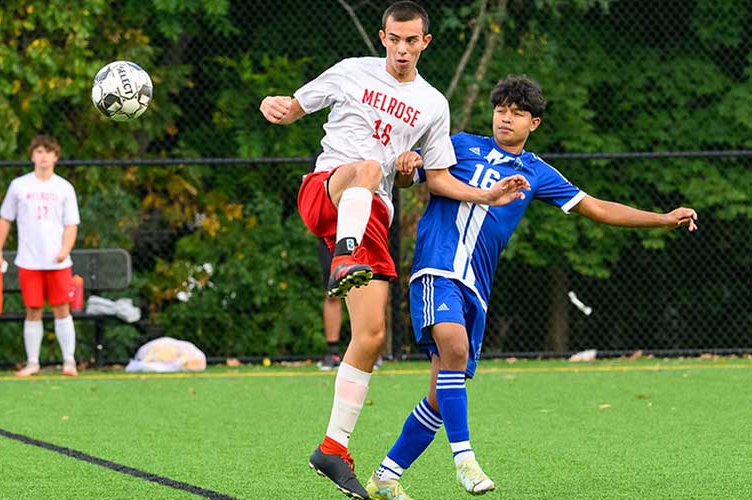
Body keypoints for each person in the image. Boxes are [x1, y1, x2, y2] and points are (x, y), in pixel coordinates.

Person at [365, 75, 698, 499]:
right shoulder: (460, 143)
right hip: (438, 267)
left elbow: (595, 207)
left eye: (517, 113)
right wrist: (406, 164)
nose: (506, 118)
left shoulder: (537, 171)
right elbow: (412, 174)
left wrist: (663, 218)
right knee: (453, 346)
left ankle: (385, 477)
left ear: (533, 124)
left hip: (477, 285)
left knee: (439, 396)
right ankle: (464, 461)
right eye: (501, 110)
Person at [259, 2, 529, 497]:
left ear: (425, 42)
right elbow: (293, 107)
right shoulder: (349, 72)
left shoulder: (433, 104)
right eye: (394, 40)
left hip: (374, 216)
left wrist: (470, 190)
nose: (402, 50)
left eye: (412, 41)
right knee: (365, 166)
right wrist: (274, 106)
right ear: (382, 37)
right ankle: (345, 255)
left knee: (372, 335)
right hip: (329, 189)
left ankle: (333, 448)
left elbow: (434, 177)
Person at [0, 135, 81, 377]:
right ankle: (33, 362)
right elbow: (5, 219)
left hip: (58, 262)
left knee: (62, 309)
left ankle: (69, 361)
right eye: (39, 151)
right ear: (32, 155)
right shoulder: (19, 185)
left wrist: (65, 249)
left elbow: (72, 224)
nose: (43, 156)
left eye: (48, 152)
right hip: (29, 261)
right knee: (33, 309)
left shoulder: (64, 187)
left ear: (56, 157)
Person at [317, 240, 343, 371]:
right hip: (331, 235)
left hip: (361, 232)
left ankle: (368, 351)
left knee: (362, 289)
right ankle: (333, 352)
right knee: (332, 293)